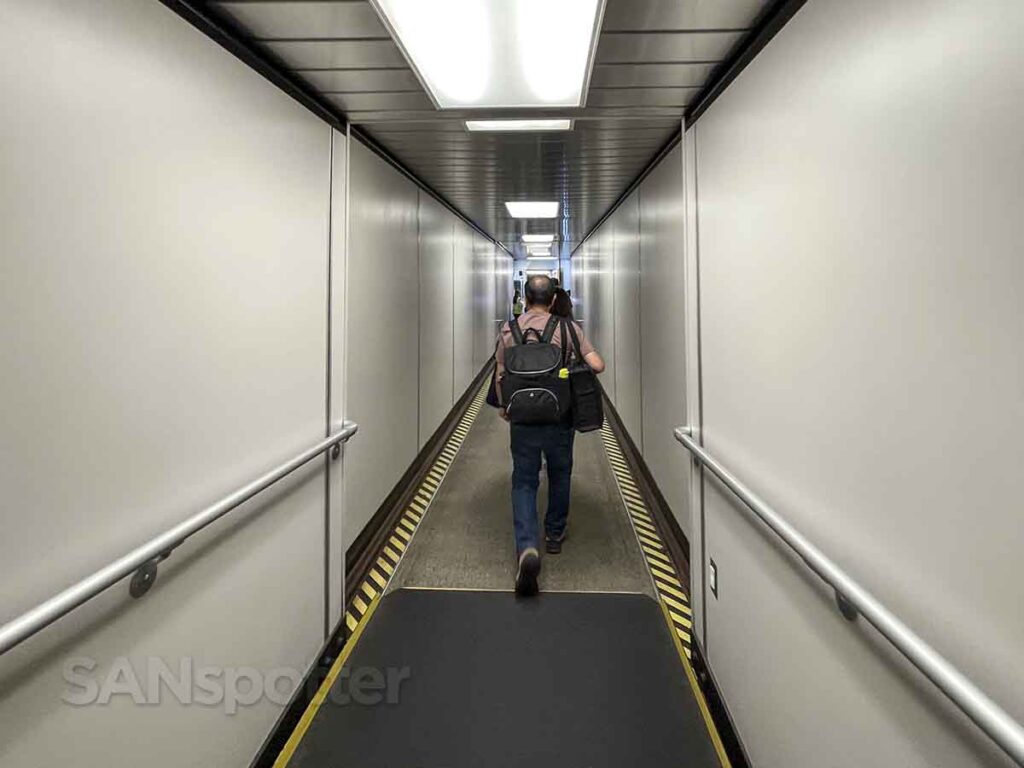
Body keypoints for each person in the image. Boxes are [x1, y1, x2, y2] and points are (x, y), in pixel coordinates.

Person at [494, 275, 605, 596]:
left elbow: (500, 373)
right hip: (560, 416)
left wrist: (505, 406)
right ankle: (554, 535)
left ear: (525, 299)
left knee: (524, 480)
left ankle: (527, 546)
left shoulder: (507, 329)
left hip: (523, 419)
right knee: (560, 473)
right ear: (553, 299)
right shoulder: (568, 329)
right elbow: (598, 365)